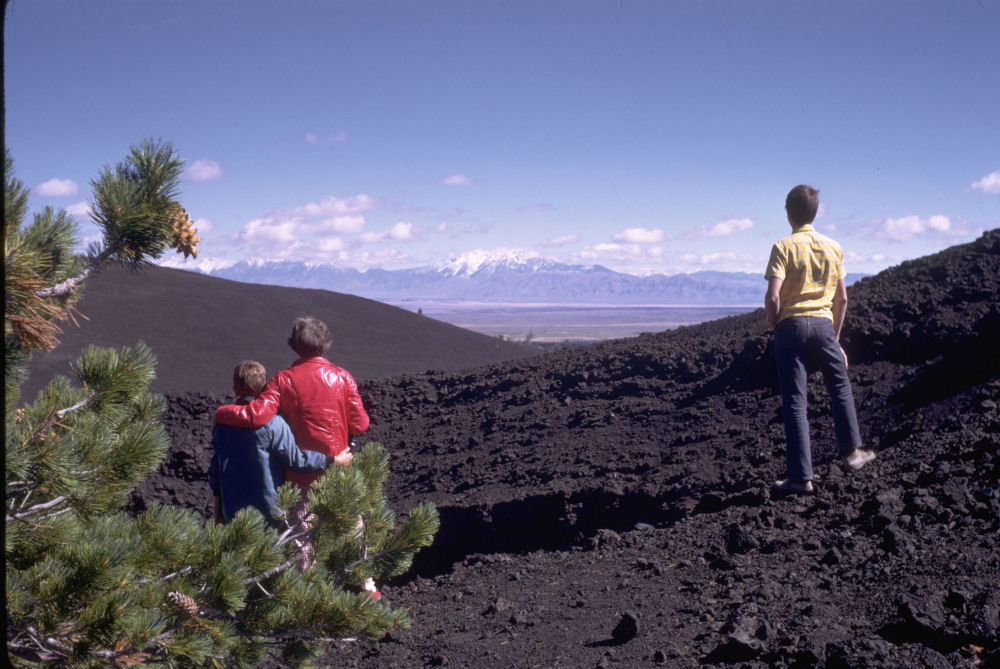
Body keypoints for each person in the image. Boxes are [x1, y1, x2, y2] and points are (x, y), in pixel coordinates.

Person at [214, 316, 370, 566]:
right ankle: (367, 586)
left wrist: (224, 413)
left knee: (302, 541)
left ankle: (303, 596)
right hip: (341, 466)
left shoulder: (282, 380)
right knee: (353, 528)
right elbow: (361, 424)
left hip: (301, 477)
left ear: (294, 345)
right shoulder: (343, 377)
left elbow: (258, 415)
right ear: (326, 344)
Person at [764, 185, 876, 494]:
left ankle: (801, 478)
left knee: (795, 401)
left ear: (788, 213)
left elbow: (773, 296)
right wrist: (836, 340)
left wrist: (776, 322)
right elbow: (842, 299)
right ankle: (853, 453)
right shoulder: (834, 247)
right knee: (839, 386)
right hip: (825, 326)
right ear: (816, 212)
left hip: (791, 326)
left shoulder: (783, 247)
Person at [208, 360, 333, 525]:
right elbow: (297, 460)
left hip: (232, 510)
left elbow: (215, 470)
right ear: (264, 388)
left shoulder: (222, 423)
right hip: (269, 511)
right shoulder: (274, 423)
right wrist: (330, 460)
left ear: (235, 388)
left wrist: (218, 510)